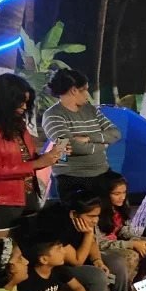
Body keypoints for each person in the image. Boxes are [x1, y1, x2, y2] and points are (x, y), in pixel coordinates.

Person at [0, 73, 63, 238]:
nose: (25, 107)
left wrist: (50, 157)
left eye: (27, 102)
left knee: (30, 244)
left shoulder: (17, 123)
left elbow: (27, 158)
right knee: (5, 248)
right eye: (21, 101)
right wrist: (36, 164)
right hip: (3, 198)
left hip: (29, 193)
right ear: (5, 100)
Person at [36, 190, 137, 291]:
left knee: (117, 263)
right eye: (91, 216)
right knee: (97, 276)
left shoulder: (83, 221)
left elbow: (92, 243)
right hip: (61, 265)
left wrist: (97, 260)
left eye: (97, 216)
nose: (95, 220)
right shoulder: (60, 226)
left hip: (81, 254)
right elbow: (77, 261)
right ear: (73, 214)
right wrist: (88, 234)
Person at [42, 69, 122, 200]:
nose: (87, 95)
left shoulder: (91, 110)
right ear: (74, 90)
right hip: (71, 177)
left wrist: (89, 138)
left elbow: (115, 133)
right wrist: (104, 145)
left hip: (101, 173)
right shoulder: (53, 115)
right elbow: (70, 146)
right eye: (85, 90)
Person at [97, 173, 146, 282]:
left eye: (124, 192)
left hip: (119, 242)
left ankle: (143, 281)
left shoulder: (120, 207)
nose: (122, 197)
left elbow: (125, 230)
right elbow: (99, 244)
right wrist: (131, 244)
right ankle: (128, 285)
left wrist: (137, 241)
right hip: (105, 248)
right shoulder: (96, 213)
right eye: (117, 193)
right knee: (132, 255)